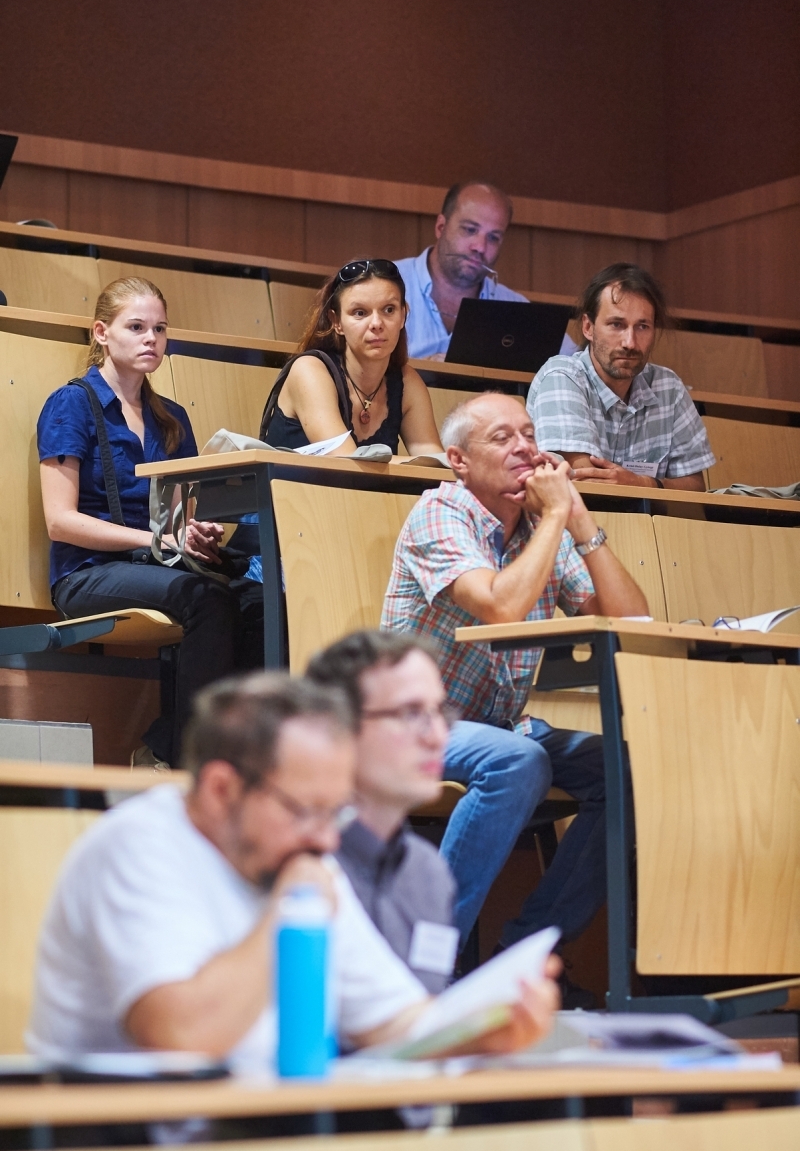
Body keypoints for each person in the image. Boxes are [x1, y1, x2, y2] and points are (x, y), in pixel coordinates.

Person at [27, 673, 559, 1070]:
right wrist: (286, 911)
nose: (327, 839)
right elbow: (182, 1039)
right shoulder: (137, 847)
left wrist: (489, 1025)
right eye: (305, 810)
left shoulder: (299, 858)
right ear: (221, 790)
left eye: (337, 812)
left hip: (243, 1142)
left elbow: (395, 1022)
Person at [382, 392, 648, 963]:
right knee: (517, 761)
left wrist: (578, 518)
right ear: (459, 460)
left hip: (499, 725)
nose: (525, 448)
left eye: (529, 434)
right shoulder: (440, 512)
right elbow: (500, 607)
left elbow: (632, 623)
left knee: (627, 768)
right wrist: (554, 517)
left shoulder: (539, 529)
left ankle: (525, 959)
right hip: (406, 725)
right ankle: (424, 963)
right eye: (502, 438)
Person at [37, 276, 264, 770]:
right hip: (87, 573)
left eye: (159, 329)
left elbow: (178, 520)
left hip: (156, 565)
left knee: (261, 601)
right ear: (101, 333)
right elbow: (61, 522)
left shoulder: (171, 417)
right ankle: (190, 763)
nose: (151, 339)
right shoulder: (71, 403)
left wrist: (196, 534)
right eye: (136, 327)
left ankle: (184, 747)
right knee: (205, 598)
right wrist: (157, 539)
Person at [307, 630, 458, 994]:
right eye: (411, 713)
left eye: (439, 712)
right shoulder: (294, 865)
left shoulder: (430, 874)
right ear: (339, 728)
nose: (437, 737)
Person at [527, 263, 715, 491]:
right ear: (588, 327)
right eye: (617, 324)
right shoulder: (562, 376)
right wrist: (650, 489)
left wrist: (643, 482)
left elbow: (695, 487)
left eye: (642, 326)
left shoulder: (669, 388)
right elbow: (587, 484)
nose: (630, 343)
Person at [261, 257, 442, 457]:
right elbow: (345, 464)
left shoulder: (407, 382)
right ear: (336, 321)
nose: (377, 323)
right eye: (360, 312)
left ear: (403, 315)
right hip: (290, 479)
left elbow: (434, 465)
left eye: (389, 310)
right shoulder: (309, 371)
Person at [394, 182, 531, 361]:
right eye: (470, 230)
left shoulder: (519, 312)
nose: (480, 247)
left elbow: (567, 362)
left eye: (493, 237)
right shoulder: (381, 284)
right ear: (441, 227)